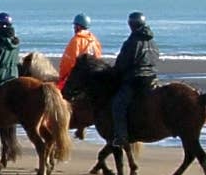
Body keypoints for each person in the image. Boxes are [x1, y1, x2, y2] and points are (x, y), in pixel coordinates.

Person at [111, 11, 160, 151]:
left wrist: (115, 73)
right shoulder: (152, 41)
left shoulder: (132, 42)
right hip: (152, 77)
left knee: (118, 104)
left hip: (136, 79)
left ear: (132, 25)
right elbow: (155, 58)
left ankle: (121, 136)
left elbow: (122, 63)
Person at [57, 13, 103, 90]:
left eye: (75, 26)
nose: (74, 28)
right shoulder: (95, 41)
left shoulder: (76, 41)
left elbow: (68, 62)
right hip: (93, 78)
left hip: (78, 79)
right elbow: (98, 59)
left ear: (78, 26)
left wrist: (62, 77)